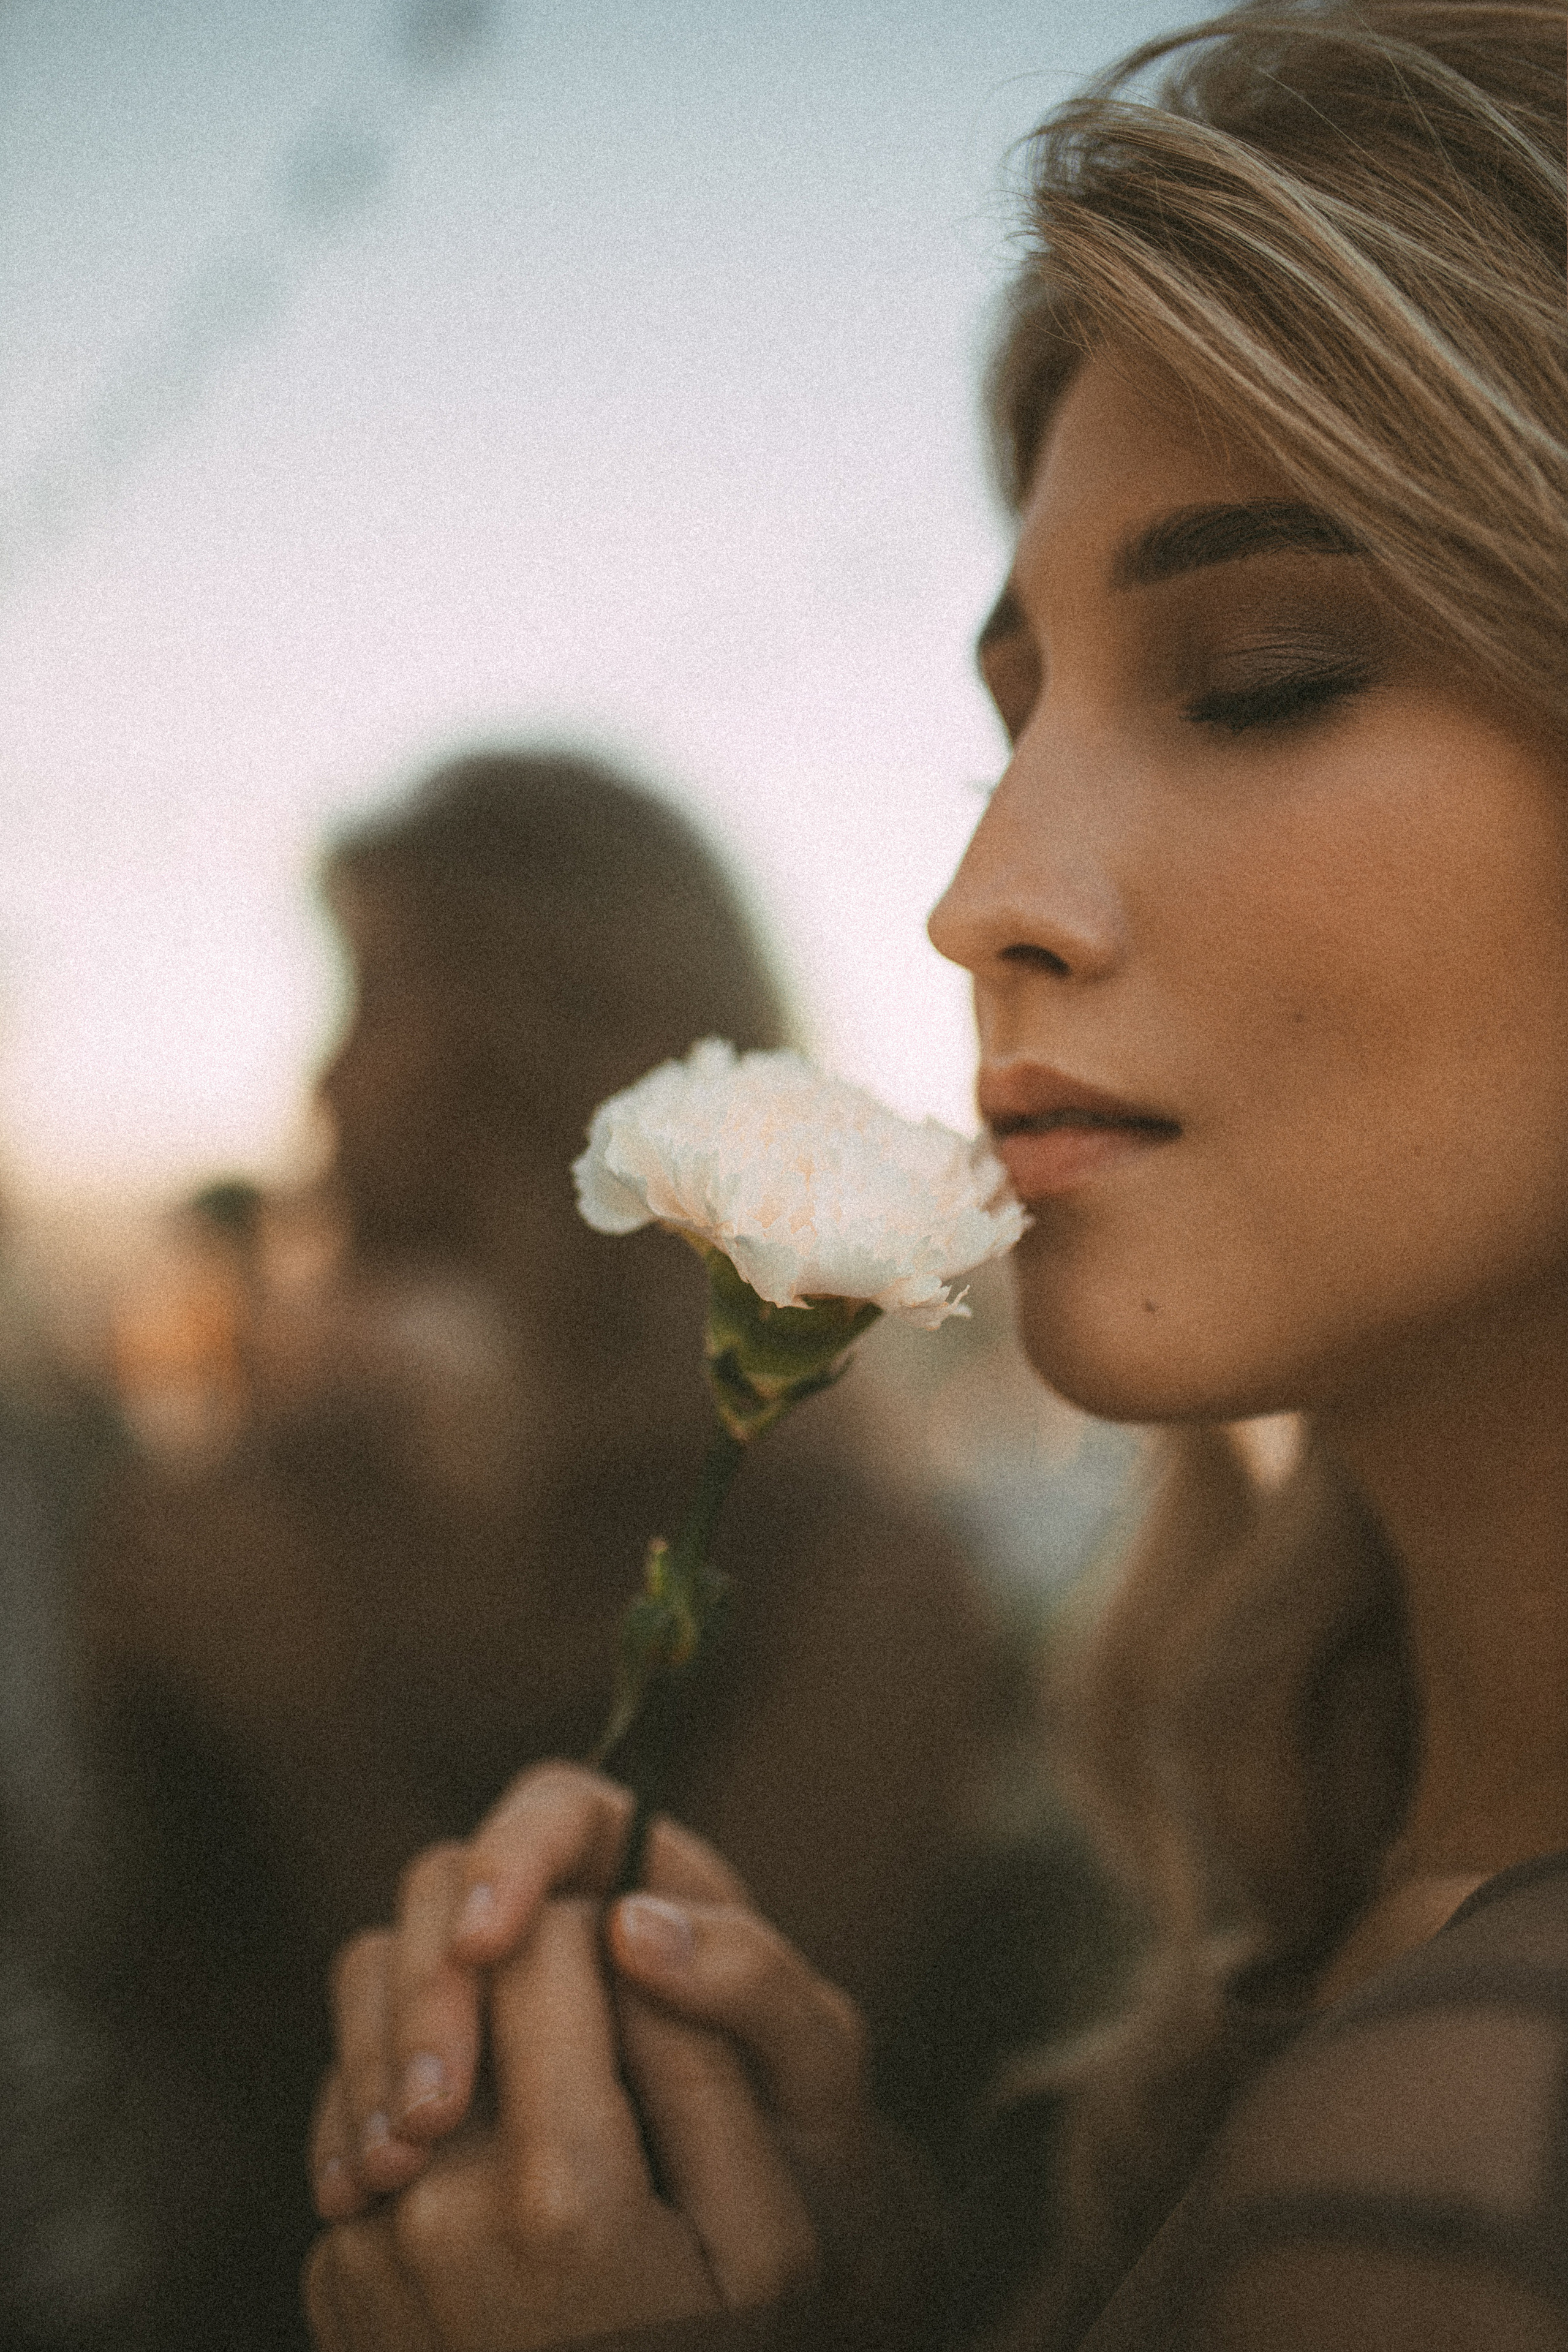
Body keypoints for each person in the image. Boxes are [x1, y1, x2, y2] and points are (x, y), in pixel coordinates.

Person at [301, 4, 1568, 2346]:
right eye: (1016, 718)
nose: (981, 893)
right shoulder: (1362, 1907)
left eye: (1267, 671)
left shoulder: (1459, 2181)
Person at [82, 751, 1033, 2347]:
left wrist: (294, 1718)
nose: (321, 1086)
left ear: (546, 1032)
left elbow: (662, 2178)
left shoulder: (848, 1577)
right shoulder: (260, 1497)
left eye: (376, 999)